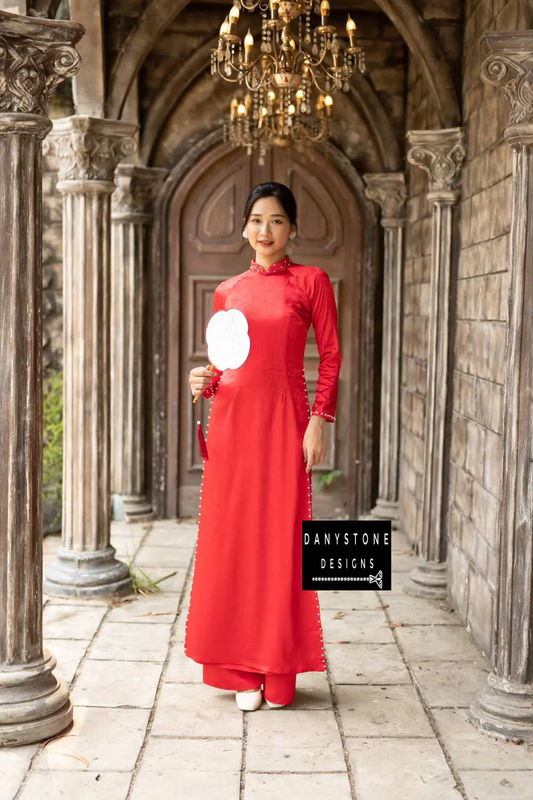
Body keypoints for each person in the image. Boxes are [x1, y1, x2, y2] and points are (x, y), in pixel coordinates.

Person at [185, 181, 341, 712]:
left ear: (292, 228)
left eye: (276, 220)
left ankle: (276, 668)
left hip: (284, 422)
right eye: (256, 219)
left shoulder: (311, 281)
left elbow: (333, 356)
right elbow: (228, 367)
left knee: (280, 541)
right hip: (232, 424)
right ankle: (240, 671)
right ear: (245, 227)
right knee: (234, 541)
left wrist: (319, 420)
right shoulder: (227, 291)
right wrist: (201, 382)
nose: (265, 230)